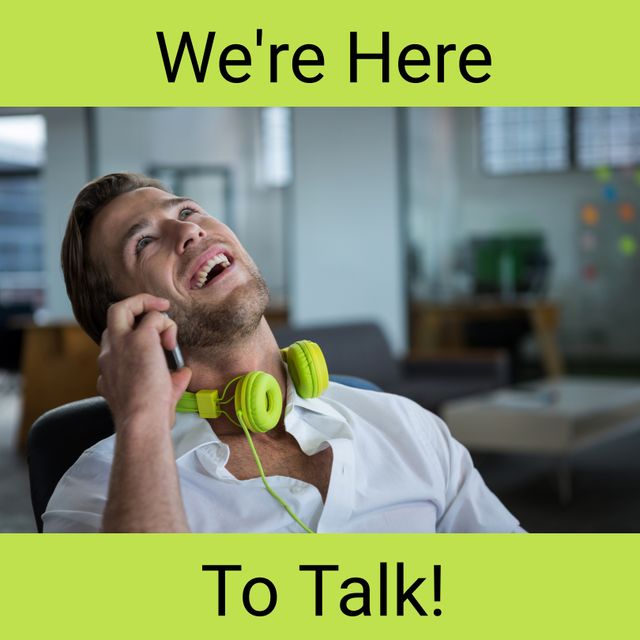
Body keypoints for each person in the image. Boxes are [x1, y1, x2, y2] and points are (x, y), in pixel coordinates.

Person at [43, 173, 524, 533]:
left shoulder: (408, 428)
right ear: (127, 321)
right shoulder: (98, 491)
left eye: (187, 211)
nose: (187, 232)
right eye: (144, 242)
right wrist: (143, 422)